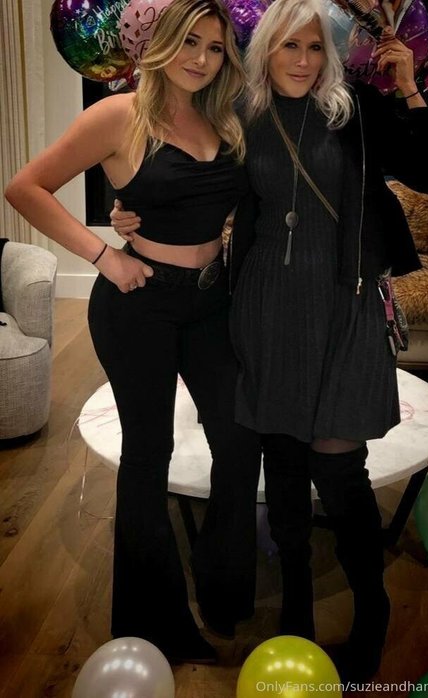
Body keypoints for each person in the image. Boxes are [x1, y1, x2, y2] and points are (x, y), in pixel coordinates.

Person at [111, 0, 428, 682]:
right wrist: (131, 213)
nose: (302, 60)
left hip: (344, 303)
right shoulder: (239, 115)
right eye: (289, 46)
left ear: (331, 53)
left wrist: (411, 88)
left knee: (339, 468)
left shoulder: (354, 110)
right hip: (265, 304)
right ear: (265, 49)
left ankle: (372, 608)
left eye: (315, 47)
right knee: (286, 466)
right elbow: (189, 178)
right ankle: (296, 607)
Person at [4, 0, 263, 664]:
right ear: (162, 43)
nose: (201, 58)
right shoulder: (119, 115)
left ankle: (222, 587)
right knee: (149, 456)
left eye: (215, 47)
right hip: (138, 302)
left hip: (211, 302)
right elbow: (26, 187)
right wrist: (103, 254)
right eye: (190, 42)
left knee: (240, 440)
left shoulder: (224, 116)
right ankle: (156, 623)